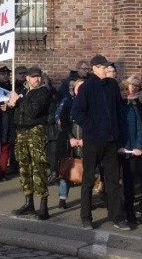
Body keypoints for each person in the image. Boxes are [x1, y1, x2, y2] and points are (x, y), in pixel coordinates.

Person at [71, 54, 130, 231]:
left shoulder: (112, 85)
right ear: (95, 68)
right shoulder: (87, 87)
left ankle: (117, 216)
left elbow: (119, 108)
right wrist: (93, 127)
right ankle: (86, 216)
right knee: (88, 179)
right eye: (104, 67)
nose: (107, 70)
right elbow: (77, 112)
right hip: (93, 140)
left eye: (107, 67)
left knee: (113, 180)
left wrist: (117, 131)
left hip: (111, 140)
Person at [9, 66, 52, 219]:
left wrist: (19, 101)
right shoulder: (24, 92)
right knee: (24, 166)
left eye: (38, 76)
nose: (36, 79)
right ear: (27, 78)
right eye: (33, 76)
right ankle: (29, 203)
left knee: (38, 166)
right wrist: (10, 105)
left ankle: (43, 205)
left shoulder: (43, 92)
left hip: (35, 131)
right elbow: (20, 112)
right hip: (21, 132)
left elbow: (33, 111)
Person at [118, 75, 142, 225]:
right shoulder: (113, 110)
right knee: (116, 184)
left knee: (129, 184)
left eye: (124, 91)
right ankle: (116, 210)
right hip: (117, 151)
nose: (123, 93)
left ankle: (129, 212)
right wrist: (117, 147)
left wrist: (138, 146)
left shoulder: (133, 108)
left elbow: (140, 129)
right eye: (121, 91)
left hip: (131, 151)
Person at [58, 78, 85, 209]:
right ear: (74, 89)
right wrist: (70, 138)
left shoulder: (91, 104)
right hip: (71, 141)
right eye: (78, 87)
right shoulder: (68, 102)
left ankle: (86, 200)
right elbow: (62, 121)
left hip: (86, 140)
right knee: (67, 169)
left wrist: (86, 139)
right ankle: (62, 198)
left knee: (86, 171)